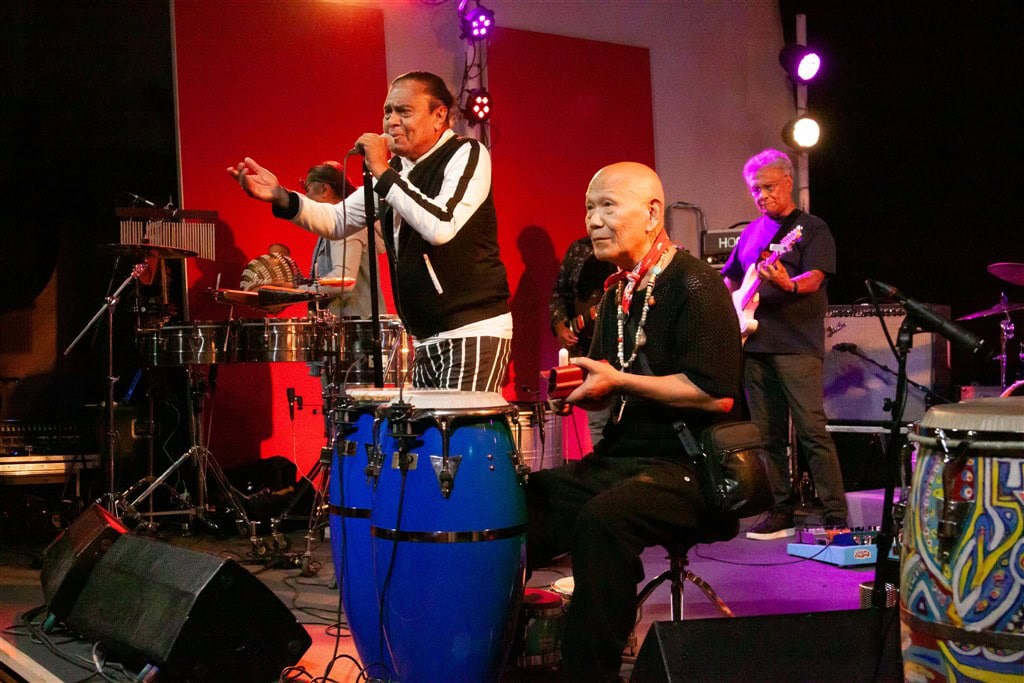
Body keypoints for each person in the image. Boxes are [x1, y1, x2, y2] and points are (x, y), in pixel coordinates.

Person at [526, 162, 742, 681]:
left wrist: (620, 381)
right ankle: (509, 650)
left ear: (651, 213)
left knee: (604, 520)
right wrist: (579, 393)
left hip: (690, 466)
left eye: (607, 206)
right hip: (624, 458)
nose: (592, 220)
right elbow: (608, 385)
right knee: (526, 502)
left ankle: (590, 673)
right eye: (588, 208)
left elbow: (716, 396)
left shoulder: (695, 283)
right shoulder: (618, 292)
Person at [228, 71, 512, 392]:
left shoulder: (466, 153)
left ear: (439, 115)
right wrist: (281, 196)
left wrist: (382, 171)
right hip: (424, 338)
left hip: (471, 330)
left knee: (456, 426)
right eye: (387, 111)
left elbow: (442, 226)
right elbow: (337, 220)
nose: (391, 121)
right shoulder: (397, 172)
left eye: (404, 111)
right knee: (427, 428)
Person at [721, 148, 848, 539]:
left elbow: (815, 278)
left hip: (796, 345)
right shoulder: (751, 231)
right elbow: (731, 276)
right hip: (755, 345)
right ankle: (781, 509)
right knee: (767, 435)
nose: (761, 196)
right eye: (755, 189)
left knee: (812, 431)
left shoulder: (810, 229)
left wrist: (786, 283)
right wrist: (729, 303)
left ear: (788, 183)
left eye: (768, 187)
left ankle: (835, 514)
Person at [549, 235, 616, 446]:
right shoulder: (579, 248)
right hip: (589, 348)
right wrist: (559, 325)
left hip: (622, 348)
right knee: (598, 421)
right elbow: (560, 293)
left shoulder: (628, 249)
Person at [301, 161, 386, 319]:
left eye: (307, 189)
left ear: (324, 189)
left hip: (356, 328)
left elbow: (343, 279)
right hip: (349, 327)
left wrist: (295, 292)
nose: (306, 196)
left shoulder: (346, 226)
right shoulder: (337, 227)